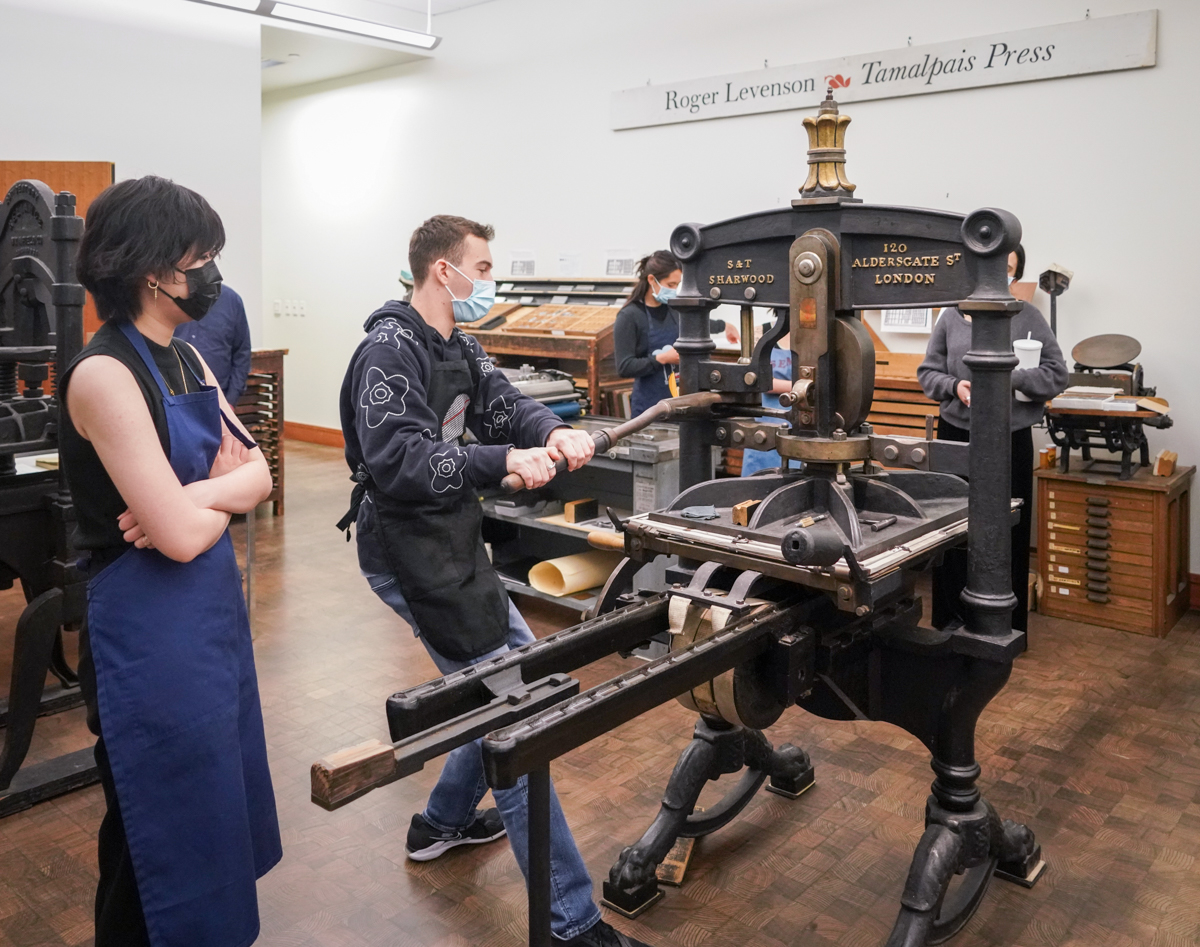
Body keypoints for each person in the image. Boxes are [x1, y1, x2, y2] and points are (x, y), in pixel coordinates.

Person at [338, 215, 652, 947]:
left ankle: (440, 824)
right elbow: (402, 464)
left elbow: (505, 404)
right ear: (441, 271)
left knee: (495, 689)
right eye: (481, 267)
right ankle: (572, 923)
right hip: (408, 549)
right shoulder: (387, 352)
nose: (490, 281)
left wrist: (549, 433)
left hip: (452, 538)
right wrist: (498, 463)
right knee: (514, 712)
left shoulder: (461, 345)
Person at [61, 176, 281, 947]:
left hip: (209, 626)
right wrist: (217, 499)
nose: (212, 272)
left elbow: (262, 477)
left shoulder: (191, 360)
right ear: (153, 269)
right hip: (143, 634)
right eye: (202, 256)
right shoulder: (103, 373)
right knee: (152, 829)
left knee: (213, 808)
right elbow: (186, 533)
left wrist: (197, 499)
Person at [917, 245, 1068, 634]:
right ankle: (950, 620)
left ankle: (1006, 628)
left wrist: (1009, 377)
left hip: (1009, 439)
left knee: (1008, 531)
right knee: (952, 529)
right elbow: (928, 374)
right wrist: (955, 385)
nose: (1000, 277)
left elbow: (1056, 375)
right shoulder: (950, 317)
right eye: (994, 268)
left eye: (1009, 271)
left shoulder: (1028, 317)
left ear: (1015, 278)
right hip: (958, 437)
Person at [613, 251, 737, 417]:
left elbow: (695, 323)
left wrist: (725, 326)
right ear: (651, 280)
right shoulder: (629, 316)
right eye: (670, 285)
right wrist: (662, 358)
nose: (674, 290)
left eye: (677, 285)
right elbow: (624, 367)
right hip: (650, 408)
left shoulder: (674, 309)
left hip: (679, 402)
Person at [173, 283, 253, 405]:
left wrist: (231, 400)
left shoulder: (232, 301)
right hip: (176, 397)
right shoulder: (170, 298)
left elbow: (242, 352)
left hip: (219, 398)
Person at [741, 336, 793, 476]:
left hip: (796, 425)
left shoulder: (812, 337)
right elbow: (754, 379)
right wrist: (798, 386)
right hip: (764, 423)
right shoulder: (759, 334)